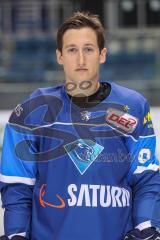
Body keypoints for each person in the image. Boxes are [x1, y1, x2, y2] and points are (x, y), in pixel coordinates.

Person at [0, 11, 160, 240]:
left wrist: (146, 225)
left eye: (88, 49)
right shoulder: (31, 112)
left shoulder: (131, 107)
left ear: (102, 54)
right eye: (72, 50)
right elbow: (17, 184)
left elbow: (145, 176)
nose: (81, 59)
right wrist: (17, 233)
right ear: (59, 56)